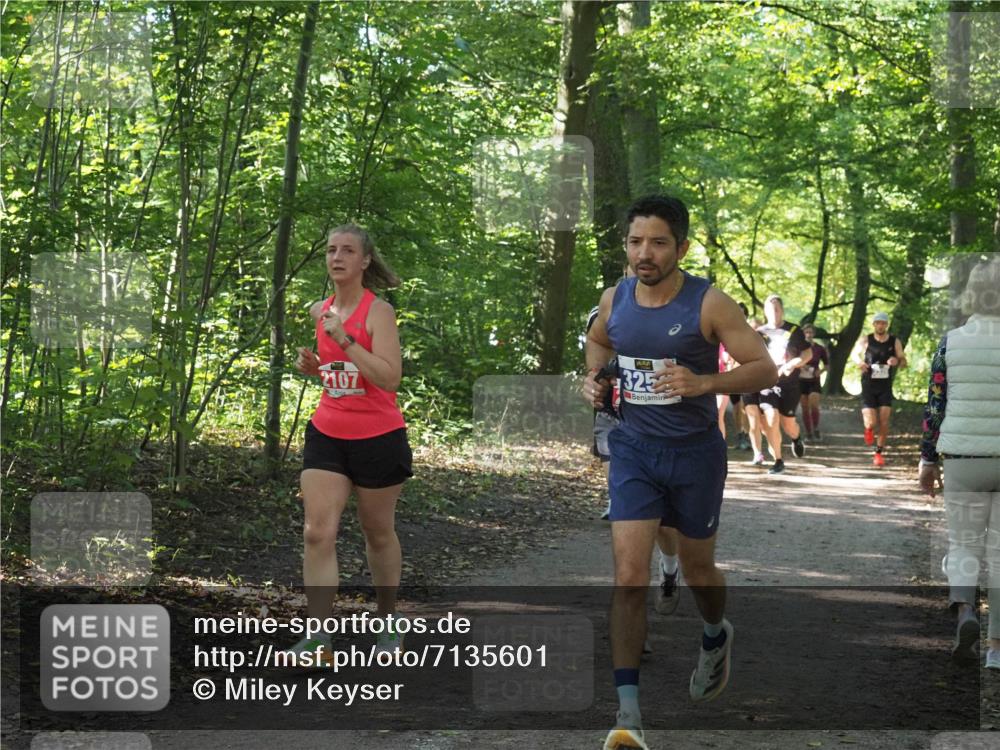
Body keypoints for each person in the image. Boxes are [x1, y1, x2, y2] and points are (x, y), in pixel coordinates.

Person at [584, 195, 777, 750]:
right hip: (634, 452)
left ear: (681, 248)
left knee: (698, 571)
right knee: (628, 577)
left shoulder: (709, 303)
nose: (645, 253)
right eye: (636, 241)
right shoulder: (614, 297)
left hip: (695, 455)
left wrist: (704, 384)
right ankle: (627, 716)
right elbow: (599, 343)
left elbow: (761, 365)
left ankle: (716, 634)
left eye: (658, 242)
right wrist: (594, 380)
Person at [287, 224, 412, 661]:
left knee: (377, 533)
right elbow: (338, 375)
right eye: (331, 250)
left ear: (364, 262)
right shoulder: (318, 310)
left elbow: (388, 377)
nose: (337, 257)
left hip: (378, 438)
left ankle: (389, 620)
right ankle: (319, 639)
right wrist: (315, 367)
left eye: (347, 251)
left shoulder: (379, 313)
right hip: (328, 432)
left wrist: (344, 339)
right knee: (317, 532)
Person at [918, 256, 1000, 666]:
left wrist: (927, 460)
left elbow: (936, 405)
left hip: (965, 458)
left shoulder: (951, 341)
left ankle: (966, 610)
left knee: (965, 543)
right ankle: (997, 649)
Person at [586, 303, 681, 617]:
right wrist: (594, 383)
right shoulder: (600, 314)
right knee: (627, 517)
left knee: (664, 525)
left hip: (656, 428)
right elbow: (593, 363)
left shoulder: (672, 319)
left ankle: (669, 569)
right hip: (613, 421)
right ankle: (635, 629)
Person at [751, 295, 808, 475]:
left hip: (789, 383)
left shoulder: (794, 330)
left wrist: (793, 363)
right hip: (767, 381)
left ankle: (796, 438)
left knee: (788, 424)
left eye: (777, 308)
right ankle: (778, 460)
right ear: (765, 311)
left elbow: (807, 354)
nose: (774, 312)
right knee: (770, 417)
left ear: (782, 310)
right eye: (770, 309)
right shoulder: (759, 333)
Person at [853, 311, 907, 466]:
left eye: (883, 323)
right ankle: (868, 430)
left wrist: (897, 360)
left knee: (884, 421)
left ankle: (878, 453)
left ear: (886, 325)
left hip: (885, 386)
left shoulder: (894, 341)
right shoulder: (866, 340)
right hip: (868, 385)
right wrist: (860, 363)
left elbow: (903, 361)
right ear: (874, 325)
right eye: (878, 323)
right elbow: (855, 355)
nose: (880, 325)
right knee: (871, 422)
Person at [798, 324, 829, 441]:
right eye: (806, 332)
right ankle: (808, 433)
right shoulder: (798, 347)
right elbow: (791, 361)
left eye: (811, 332)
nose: (809, 335)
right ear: (803, 334)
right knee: (805, 407)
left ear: (814, 334)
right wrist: (800, 366)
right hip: (801, 380)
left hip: (814, 380)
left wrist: (820, 371)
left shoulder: (819, 348)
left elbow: (826, 365)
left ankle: (816, 428)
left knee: (814, 405)